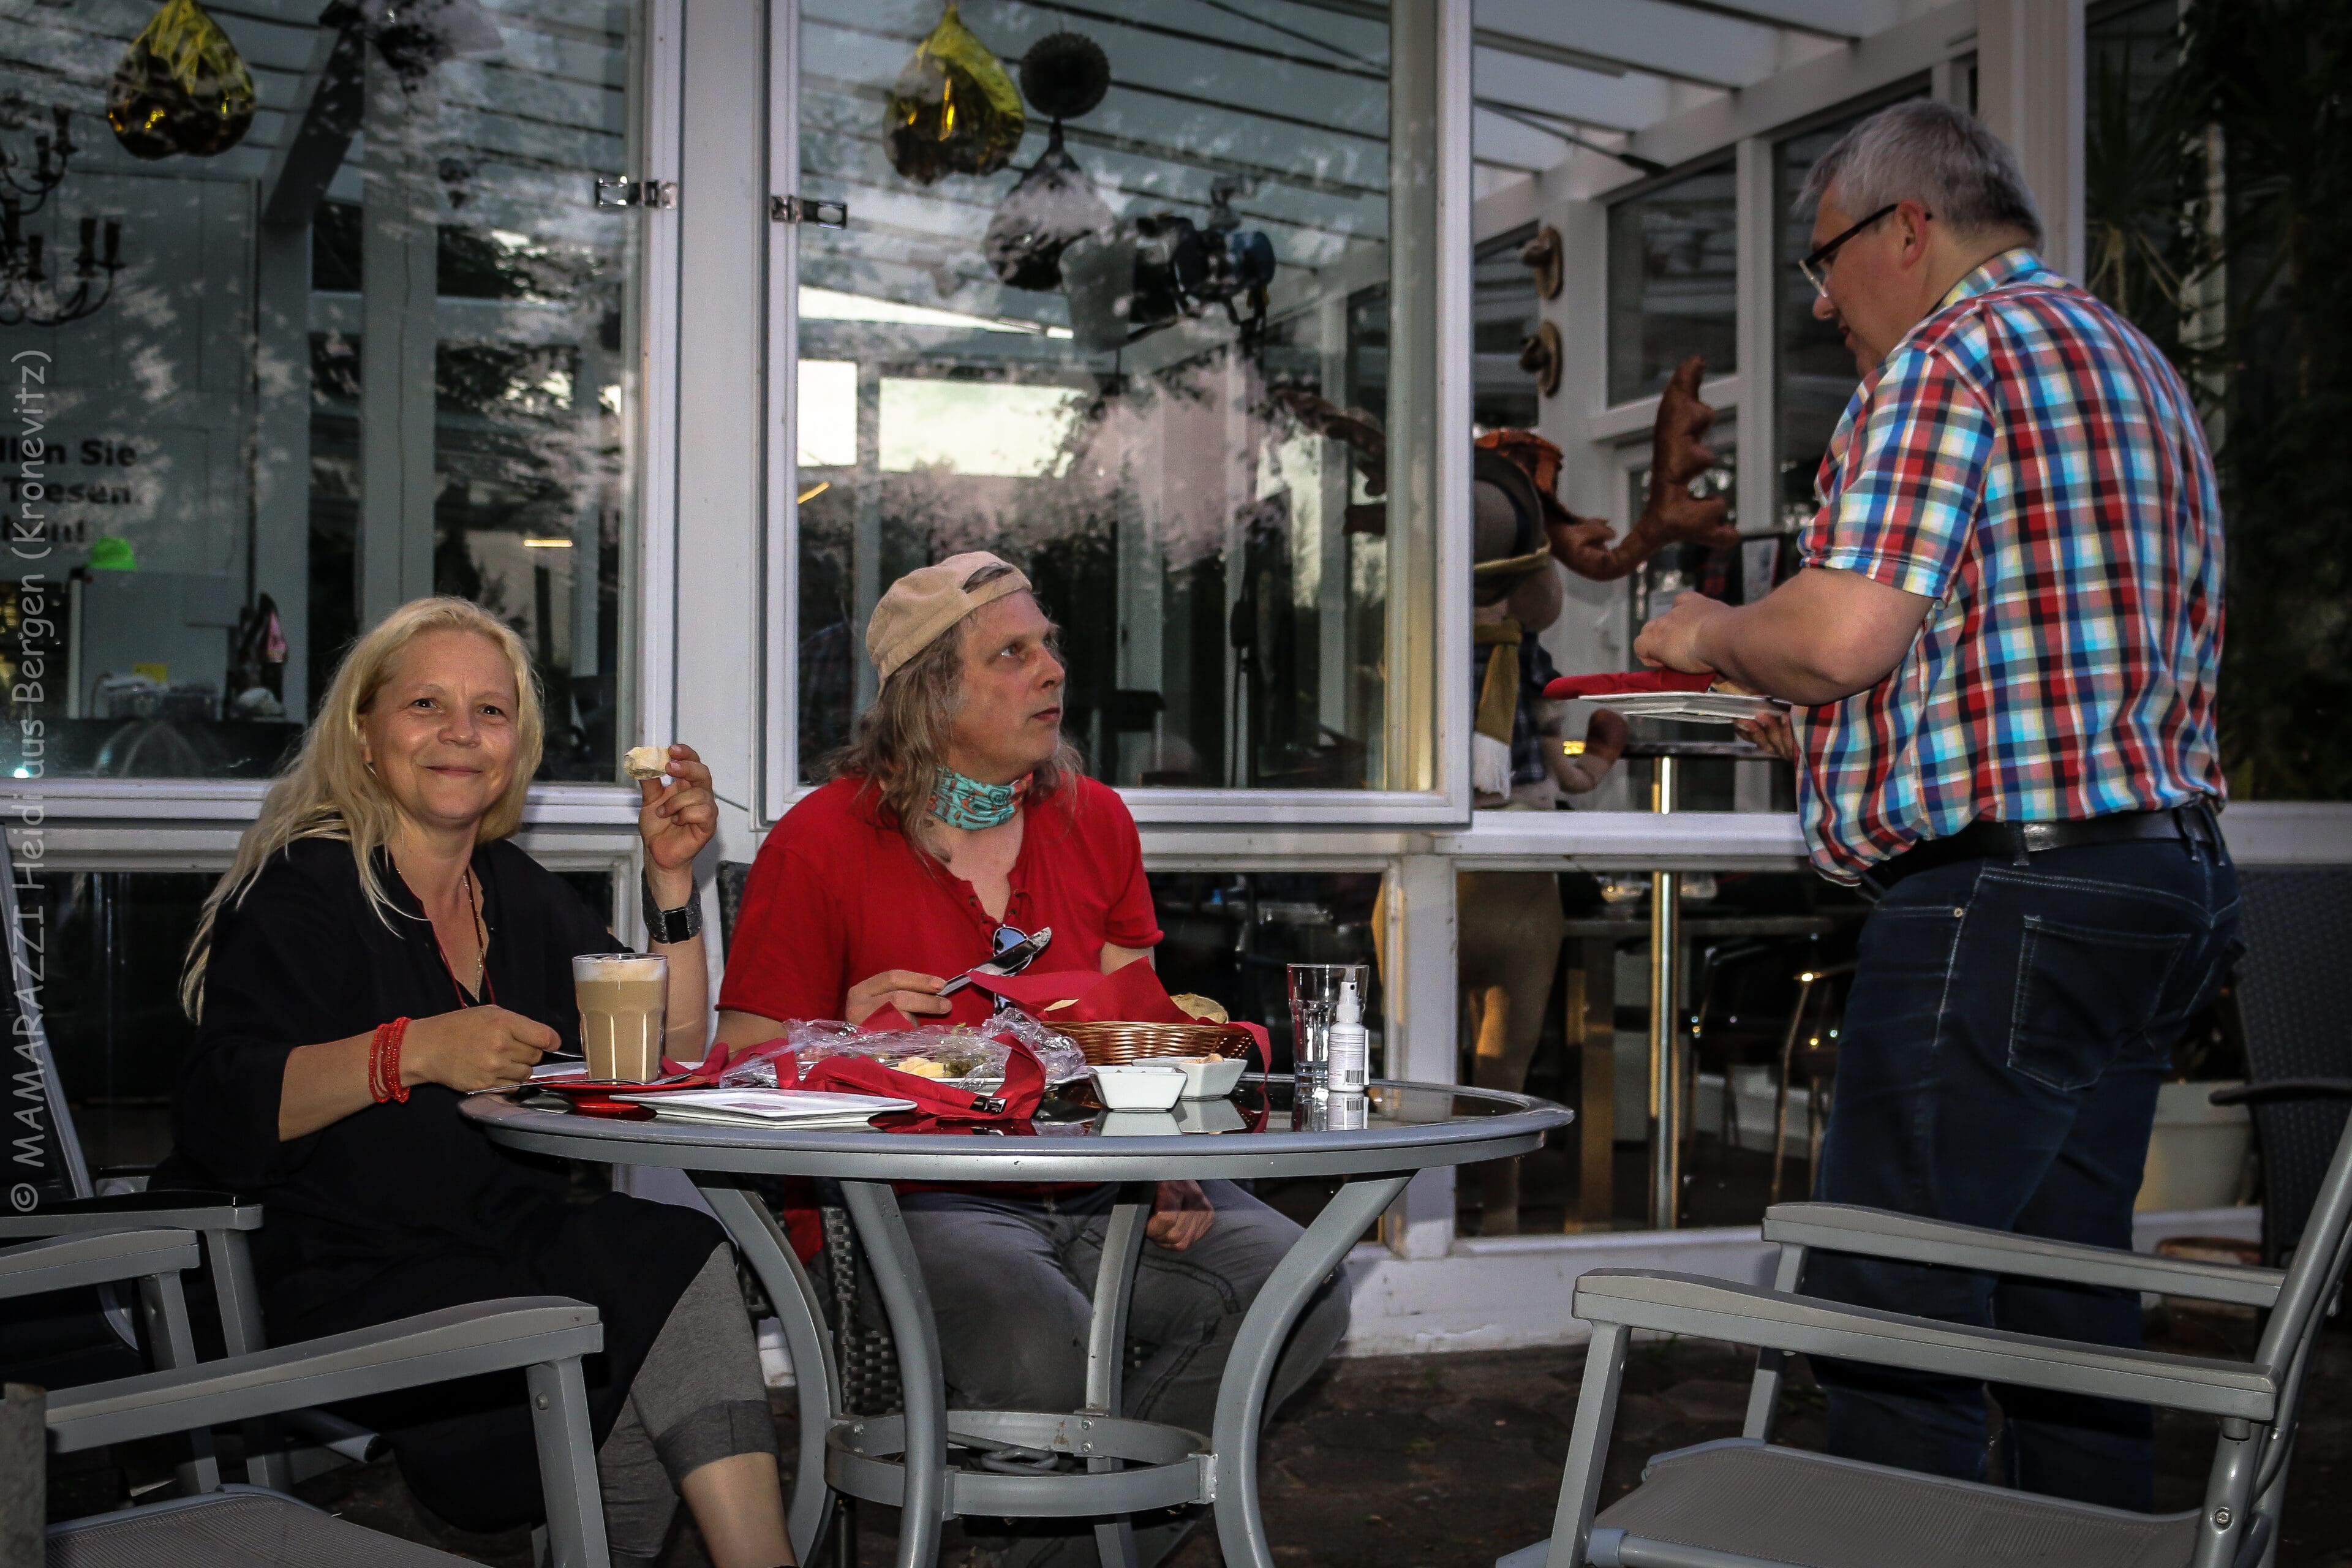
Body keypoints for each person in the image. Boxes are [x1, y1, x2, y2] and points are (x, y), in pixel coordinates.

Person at [1632, 99, 2241, 1512]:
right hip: (2154, 884)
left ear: (1908, 228)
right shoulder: (2132, 365)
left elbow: (1845, 632)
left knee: (1882, 1296)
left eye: (1823, 258)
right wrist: (1821, 729)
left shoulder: (1949, 357)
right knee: (2060, 1289)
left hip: (2008, 901)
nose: (1821, 298)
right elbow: (2021, 670)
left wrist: (1710, 634)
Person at [715, 552, 1350, 1567]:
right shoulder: (820, 840)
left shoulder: (1093, 819)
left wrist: (1168, 1148)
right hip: (915, 1197)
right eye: (1013, 652)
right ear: (931, 693)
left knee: (1302, 1288)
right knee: (1036, 1345)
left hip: (1111, 1182)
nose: (1052, 670)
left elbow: (1141, 1030)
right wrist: (842, 1027)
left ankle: (1061, 1551)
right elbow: (740, 1064)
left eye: (1047, 644)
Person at [162, 597, 793, 1568]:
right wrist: (409, 1050)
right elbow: (221, 1108)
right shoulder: (306, 887)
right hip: (344, 1264)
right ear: (366, 738)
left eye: (491, 712)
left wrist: (673, 884)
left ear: (517, 747)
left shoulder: (512, 889)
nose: (462, 733)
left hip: (497, 1237)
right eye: (426, 705)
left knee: (674, 1252)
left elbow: (663, 1047)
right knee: (595, 1336)